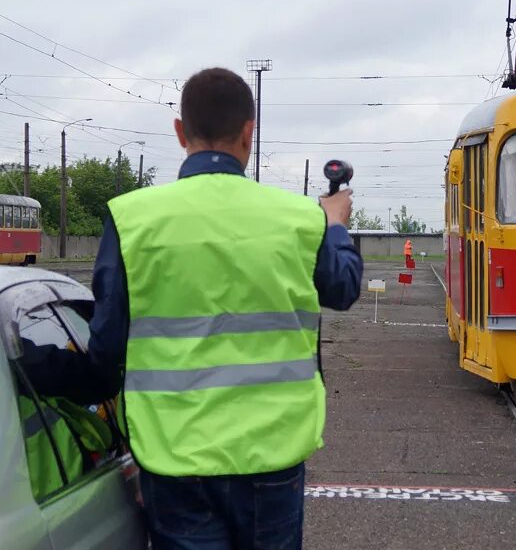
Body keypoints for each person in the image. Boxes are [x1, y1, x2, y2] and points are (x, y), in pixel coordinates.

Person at [23, 67, 362, 549]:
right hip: (273, 458)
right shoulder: (301, 219)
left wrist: (27, 363)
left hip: (175, 462)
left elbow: (103, 361)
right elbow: (343, 288)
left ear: (180, 132)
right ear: (250, 132)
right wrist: (334, 225)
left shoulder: (131, 218)